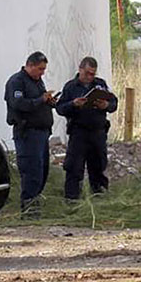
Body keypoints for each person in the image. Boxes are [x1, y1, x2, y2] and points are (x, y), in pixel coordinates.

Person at [4, 51, 58, 219]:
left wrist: (49, 101)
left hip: (42, 133)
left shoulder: (37, 81)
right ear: (30, 65)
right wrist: (40, 100)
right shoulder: (17, 82)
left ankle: (35, 208)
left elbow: (39, 101)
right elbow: (19, 104)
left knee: (42, 171)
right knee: (31, 171)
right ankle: (28, 211)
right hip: (28, 133)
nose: (42, 73)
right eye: (40, 69)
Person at [56, 57, 118, 201]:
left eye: (92, 74)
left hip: (98, 133)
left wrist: (106, 105)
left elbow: (114, 103)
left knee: (98, 167)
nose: (90, 77)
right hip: (79, 133)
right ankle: (72, 201)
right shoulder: (71, 87)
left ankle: (99, 198)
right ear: (80, 69)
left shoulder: (100, 85)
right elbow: (60, 108)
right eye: (87, 73)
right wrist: (73, 104)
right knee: (74, 168)